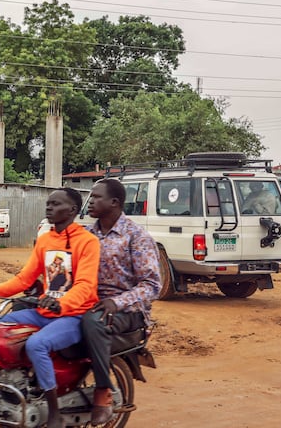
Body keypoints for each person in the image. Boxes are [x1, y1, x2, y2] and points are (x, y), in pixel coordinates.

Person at [0, 187, 99, 428]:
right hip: (45, 311)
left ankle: (54, 411)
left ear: (72, 210)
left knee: (37, 344)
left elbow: (85, 286)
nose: (49, 207)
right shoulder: (46, 239)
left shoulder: (88, 242)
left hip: (75, 315)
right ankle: (6, 391)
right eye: (48, 203)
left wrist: (61, 302)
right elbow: (24, 279)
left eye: (56, 204)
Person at [82, 178, 161, 425]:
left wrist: (117, 302)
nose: (90, 201)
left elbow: (152, 285)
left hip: (128, 311)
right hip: (92, 302)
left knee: (93, 322)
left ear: (114, 202)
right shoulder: (86, 234)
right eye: (90, 196)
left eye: (96, 197)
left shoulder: (136, 236)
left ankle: (103, 392)